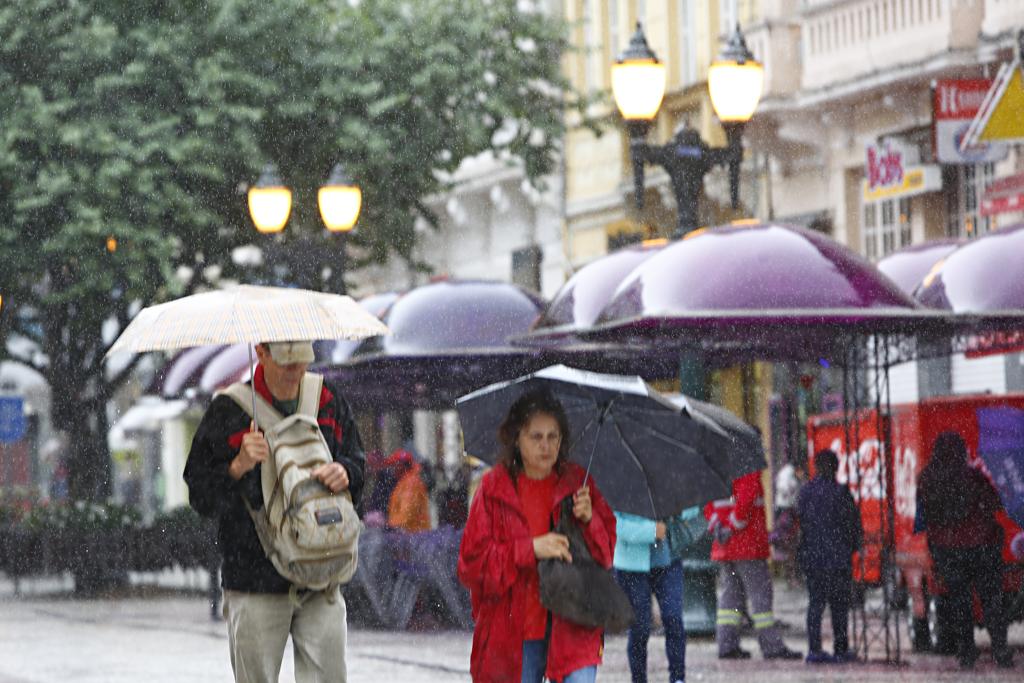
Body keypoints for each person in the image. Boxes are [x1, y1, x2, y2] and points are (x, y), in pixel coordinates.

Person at [183, 340, 365, 683]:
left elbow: (357, 464)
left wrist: (347, 472)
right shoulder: (230, 409)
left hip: (322, 573)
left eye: (302, 361)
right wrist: (237, 466)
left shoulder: (327, 398)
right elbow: (199, 494)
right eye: (285, 362)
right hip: (253, 580)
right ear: (261, 352)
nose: (295, 372)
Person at [457, 390, 616, 683]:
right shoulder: (495, 488)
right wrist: (530, 549)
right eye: (536, 436)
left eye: (553, 437)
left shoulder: (579, 484)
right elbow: (472, 566)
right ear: (516, 439)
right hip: (514, 632)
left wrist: (590, 520)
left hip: (572, 626)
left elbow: (605, 557)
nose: (546, 446)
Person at [917, 431, 1013, 670]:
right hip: (982, 547)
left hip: (948, 550)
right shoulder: (972, 476)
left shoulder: (927, 478)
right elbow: (994, 503)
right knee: (991, 601)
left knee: (960, 603)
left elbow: (923, 516)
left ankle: (966, 653)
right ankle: (1000, 650)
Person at [703, 470, 802, 661]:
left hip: (725, 545)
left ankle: (727, 644)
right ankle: (771, 645)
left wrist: (718, 526)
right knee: (761, 597)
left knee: (730, 599)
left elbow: (707, 504)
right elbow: (747, 498)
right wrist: (732, 526)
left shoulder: (714, 465)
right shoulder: (745, 464)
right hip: (747, 544)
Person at [796, 449, 862, 664]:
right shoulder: (841, 492)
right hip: (837, 559)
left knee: (815, 605)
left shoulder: (805, 493)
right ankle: (840, 649)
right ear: (836, 467)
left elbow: (801, 525)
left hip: (813, 558)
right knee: (839, 606)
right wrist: (852, 547)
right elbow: (853, 525)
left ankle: (814, 649)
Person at [613, 510, 687, 683]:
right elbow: (616, 524)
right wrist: (651, 531)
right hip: (632, 566)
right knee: (640, 627)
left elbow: (690, 510)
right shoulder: (621, 487)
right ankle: (639, 679)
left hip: (669, 560)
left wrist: (679, 511)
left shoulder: (669, 483)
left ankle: (678, 678)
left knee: (673, 618)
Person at [386, 448, 431, 532]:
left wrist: (389, 526)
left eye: (394, 465)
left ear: (402, 466)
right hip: (410, 535)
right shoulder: (404, 482)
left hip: (414, 535)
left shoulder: (411, 483)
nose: (392, 469)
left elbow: (407, 513)